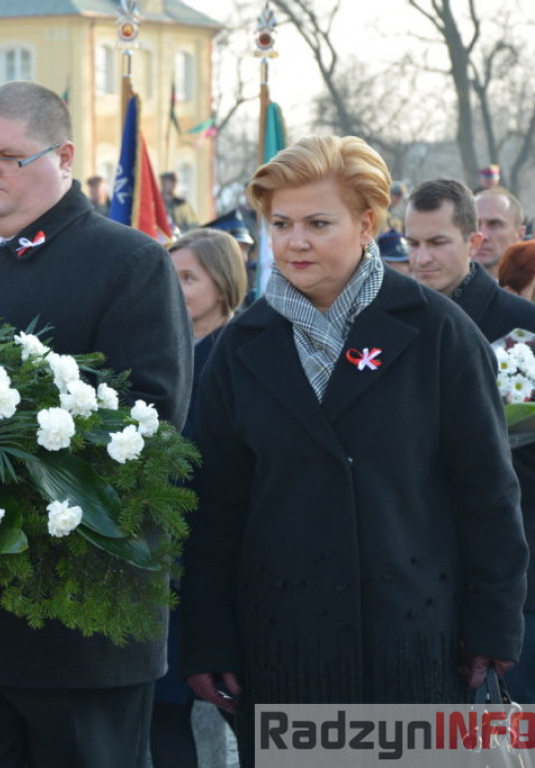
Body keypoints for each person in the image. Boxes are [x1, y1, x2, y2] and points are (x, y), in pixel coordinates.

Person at [184, 136, 528, 767]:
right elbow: (214, 507)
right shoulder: (242, 347)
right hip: (283, 648)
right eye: (281, 224)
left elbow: (487, 491)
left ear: (367, 223)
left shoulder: (439, 334)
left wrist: (494, 626)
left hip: (420, 645)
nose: (295, 242)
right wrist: (206, 639)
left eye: (318, 223)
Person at [0, 80, 192, 767]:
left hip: (73, 622)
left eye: (7, 157)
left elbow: (151, 420)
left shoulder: (129, 263)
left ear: (65, 156)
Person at [405, 177, 535, 704]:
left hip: (515, 564)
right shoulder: (393, 325)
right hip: (418, 566)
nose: (422, 258)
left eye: (437, 243)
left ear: (473, 241)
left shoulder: (522, 326)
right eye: (411, 244)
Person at [154, 228, 245, 768]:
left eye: (188, 277)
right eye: (171, 276)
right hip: (168, 566)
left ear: (223, 283)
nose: (175, 288)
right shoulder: (162, 353)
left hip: (227, 564)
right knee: (165, 716)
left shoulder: (241, 354)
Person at [474, 188, 526, 278]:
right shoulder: (445, 288)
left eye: (494, 224)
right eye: (474, 224)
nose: (482, 236)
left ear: (519, 235)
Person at [160, 171, 199, 235]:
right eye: (164, 182)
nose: (167, 185)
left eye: (171, 182)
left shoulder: (182, 204)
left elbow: (193, 225)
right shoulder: (156, 203)